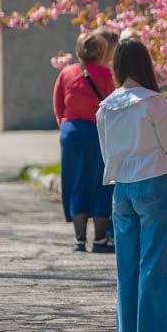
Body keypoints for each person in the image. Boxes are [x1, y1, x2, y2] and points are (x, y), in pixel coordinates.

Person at [97, 38, 167, 332]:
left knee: (127, 260)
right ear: (144, 65)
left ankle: (128, 328)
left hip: (121, 187)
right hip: (154, 179)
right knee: (157, 258)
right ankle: (154, 330)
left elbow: (106, 150)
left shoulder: (106, 106)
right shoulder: (152, 102)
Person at [52, 32, 117, 252]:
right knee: (101, 182)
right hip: (97, 131)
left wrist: (65, 126)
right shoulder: (106, 74)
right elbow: (111, 105)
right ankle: (100, 239)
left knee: (76, 181)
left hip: (71, 132)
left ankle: (79, 238)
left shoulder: (66, 72)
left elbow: (58, 104)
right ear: (101, 52)